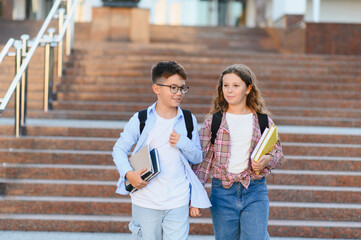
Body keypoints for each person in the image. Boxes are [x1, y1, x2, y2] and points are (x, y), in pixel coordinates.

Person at [112, 61, 211, 240]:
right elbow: (119, 149)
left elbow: (197, 157)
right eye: (173, 87)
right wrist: (128, 174)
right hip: (145, 200)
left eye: (182, 88)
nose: (179, 93)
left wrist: (184, 143)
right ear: (156, 89)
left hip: (177, 200)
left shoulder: (188, 119)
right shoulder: (141, 119)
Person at [192, 64, 285, 240]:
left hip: (255, 191)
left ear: (248, 89)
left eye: (236, 85)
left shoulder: (263, 121)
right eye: (225, 85)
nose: (229, 90)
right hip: (222, 191)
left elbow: (278, 153)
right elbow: (203, 163)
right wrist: (196, 195)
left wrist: (267, 160)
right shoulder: (213, 122)